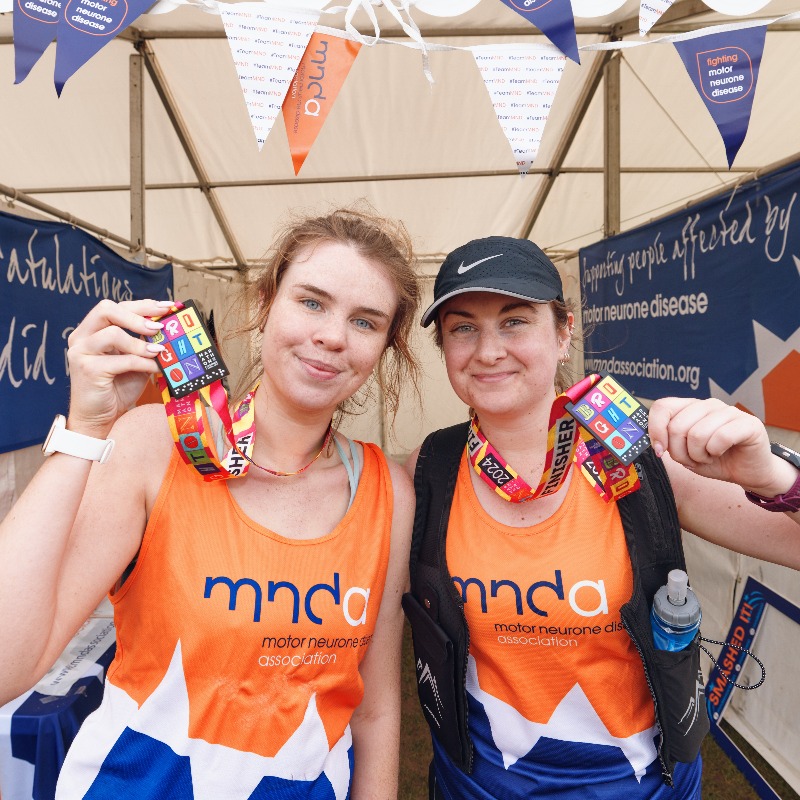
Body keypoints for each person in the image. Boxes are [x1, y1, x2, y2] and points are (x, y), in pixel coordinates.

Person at [0, 208, 421, 799]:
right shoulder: (153, 444)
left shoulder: (386, 493)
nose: (332, 335)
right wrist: (86, 430)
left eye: (365, 321)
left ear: (386, 346)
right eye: (311, 302)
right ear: (264, 302)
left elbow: (374, 712)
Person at [404, 235, 800, 800]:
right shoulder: (432, 466)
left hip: (640, 788)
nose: (488, 351)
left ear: (563, 332)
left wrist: (773, 476)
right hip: (478, 787)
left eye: (515, 321)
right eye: (463, 327)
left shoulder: (637, 452)